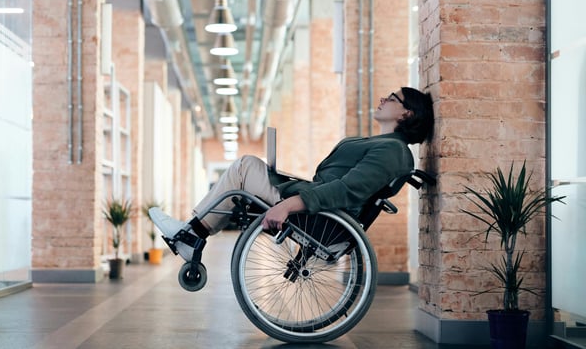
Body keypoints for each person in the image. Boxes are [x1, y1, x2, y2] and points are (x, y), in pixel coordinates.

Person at [149, 87, 434, 261]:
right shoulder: (383, 145)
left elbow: (347, 191)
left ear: (407, 114)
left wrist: (287, 204)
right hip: (316, 210)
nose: (384, 98)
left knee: (245, 166)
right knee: (247, 167)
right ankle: (191, 235)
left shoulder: (392, 152)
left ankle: (190, 236)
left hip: (320, 220)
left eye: (393, 97)